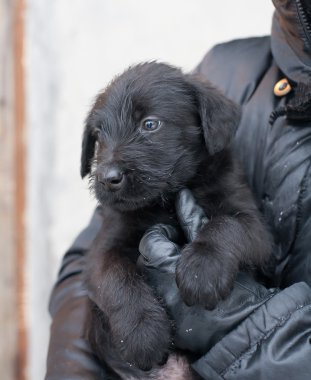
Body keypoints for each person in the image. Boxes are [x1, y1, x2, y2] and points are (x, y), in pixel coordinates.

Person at [45, 0, 311, 379]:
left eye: (149, 126)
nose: (109, 167)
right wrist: (126, 313)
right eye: (101, 136)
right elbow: (89, 262)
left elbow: (250, 231)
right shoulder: (228, 68)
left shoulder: (217, 165)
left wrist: (249, 324)